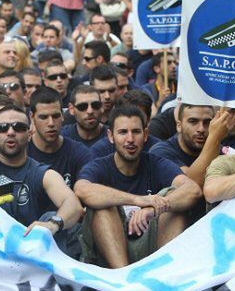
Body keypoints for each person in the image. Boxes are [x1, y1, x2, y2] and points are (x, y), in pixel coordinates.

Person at [75, 105, 202, 268]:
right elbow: (81, 189)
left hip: (151, 250)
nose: (130, 139)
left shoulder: (157, 164)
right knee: (102, 204)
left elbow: (192, 190)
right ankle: (124, 279)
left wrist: (154, 208)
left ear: (146, 135)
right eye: (122, 132)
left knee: (174, 198)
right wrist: (138, 200)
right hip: (107, 257)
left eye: (136, 132)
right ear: (111, 136)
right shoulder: (99, 166)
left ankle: (165, 273)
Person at [0, 93, 84, 249]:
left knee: (51, 218)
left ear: (29, 133)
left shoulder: (42, 173)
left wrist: (53, 225)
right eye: (2, 128)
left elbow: (73, 205)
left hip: (28, 252)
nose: (10, 132)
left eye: (18, 127)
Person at [28, 87, 92, 190]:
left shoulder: (79, 153)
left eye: (56, 116)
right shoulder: (22, 152)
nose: (51, 123)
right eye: (43, 117)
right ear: (32, 117)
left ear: (62, 115)